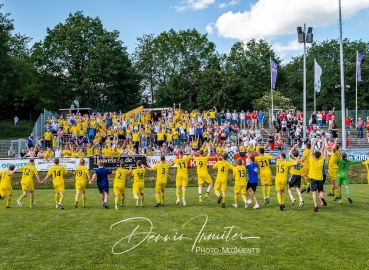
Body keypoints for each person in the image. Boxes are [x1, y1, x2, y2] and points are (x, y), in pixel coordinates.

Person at [309, 136, 327, 212]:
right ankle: (322, 198)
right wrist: (323, 142)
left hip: (313, 178)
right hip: (320, 178)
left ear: (314, 156)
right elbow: (322, 151)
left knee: (314, 192)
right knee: (321, 191)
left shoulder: (312, 160)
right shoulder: (321, 160)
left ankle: (316, 205)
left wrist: (314, 142)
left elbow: (311, 151)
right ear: (319, 156)